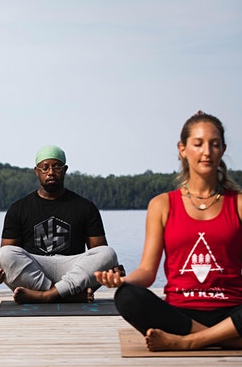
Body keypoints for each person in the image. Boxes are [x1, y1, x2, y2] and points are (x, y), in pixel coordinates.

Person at [95, 111, 242, 351]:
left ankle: (189, 341)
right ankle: (224, 339)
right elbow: (147, 271)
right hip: (181, 314)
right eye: (198, 144)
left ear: (223, 150)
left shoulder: (238, 204)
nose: (207, 151)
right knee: (127, 296)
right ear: (182, 149)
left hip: (232, 313)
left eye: (214, 144)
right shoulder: (162, 204)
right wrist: (122, 281)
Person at [0, 145, 119, 304]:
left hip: (72, 269)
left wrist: (111, 267)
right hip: (36, 270)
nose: (50, 172)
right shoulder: (18, 208)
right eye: (45, 167)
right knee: (4, 255)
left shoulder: (85, 207)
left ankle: (45, 296)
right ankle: (66, 295)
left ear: (65, 170)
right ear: (36, 171)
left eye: (56, 167)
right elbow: (7, 252)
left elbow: (98, 251)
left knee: (108, 254)